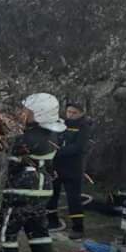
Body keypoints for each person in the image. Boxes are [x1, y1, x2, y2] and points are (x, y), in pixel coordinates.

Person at [0, 93, 65, 252]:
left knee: (7, 228)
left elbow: (11, 156)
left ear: (39, 114)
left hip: (22, 188)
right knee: (38, 228)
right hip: (43, 189)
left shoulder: (28, 138)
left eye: (27, 110)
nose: (22, 113)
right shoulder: (52, 136)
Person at [47, 101, 93, 239]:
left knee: (73, 198)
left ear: (81, 113)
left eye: (74, 113)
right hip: (56, 166)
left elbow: (79, 147)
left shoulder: (84, 127)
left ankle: (78, 228)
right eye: (69, 112)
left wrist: (58, 151)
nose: (71, 115)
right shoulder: (60, 125)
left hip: (73, 168)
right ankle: (51, 221)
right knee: (52, 195)